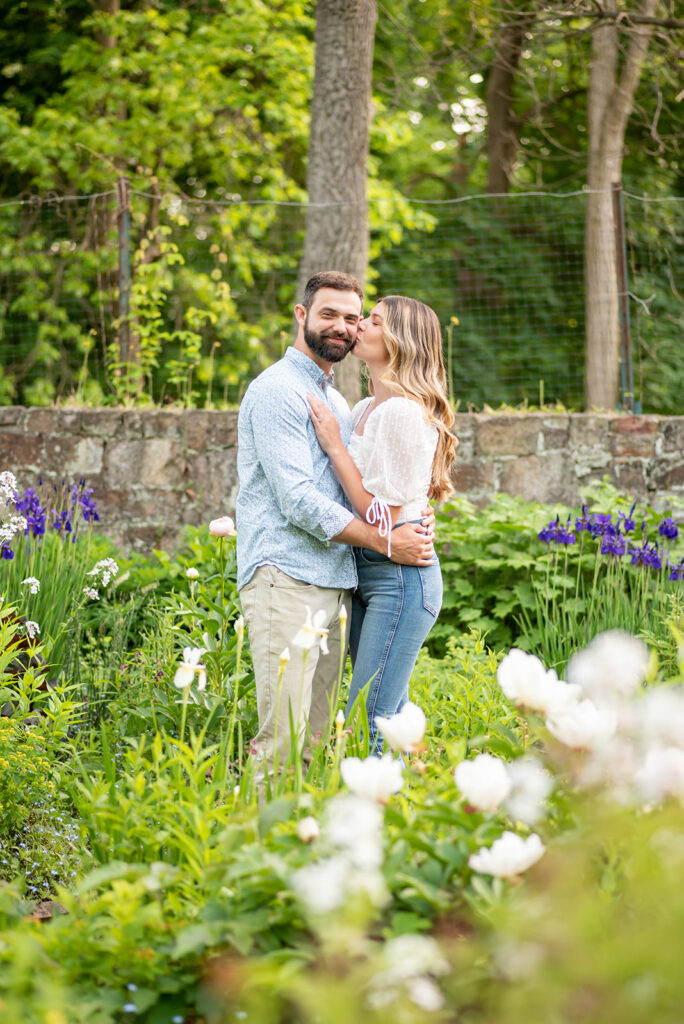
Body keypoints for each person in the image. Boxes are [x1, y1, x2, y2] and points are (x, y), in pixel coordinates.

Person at [236, 272, 435, 770]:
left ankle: (312, 838)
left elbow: (376, 487)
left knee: (317, 740)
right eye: (330, 314)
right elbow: (299, 499)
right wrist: (387, 540)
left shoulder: (341, 402)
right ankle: (262, 842)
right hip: (289, 577)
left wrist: (411, 514)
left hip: (336, 581)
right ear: (302, 316)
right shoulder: (279, 390)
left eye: (355, 317)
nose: (345, 327)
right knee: (283, 738)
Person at [306, 295, 457, 752]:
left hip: (400, 580)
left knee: (371, 717)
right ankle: (403, 808)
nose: (360, 327)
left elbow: (379, 515)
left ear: (399, 341)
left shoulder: (401, 413)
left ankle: (375, 814)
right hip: (368, 571)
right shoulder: (366, 408)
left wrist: (334, 445)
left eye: (374, 321)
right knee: (385, 714)